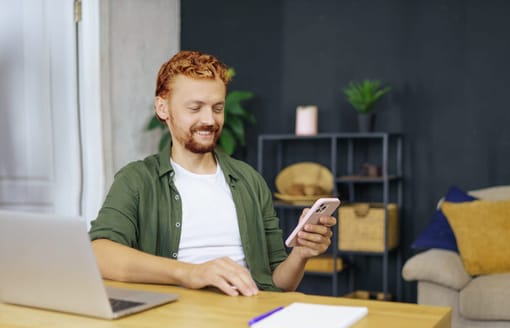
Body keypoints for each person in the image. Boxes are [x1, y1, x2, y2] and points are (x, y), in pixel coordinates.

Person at [89, 50, 336, 297]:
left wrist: (301, 253)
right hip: (171, 321)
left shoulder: (249, 180)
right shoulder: (137, 180)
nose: (209, 120)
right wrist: (191, 273)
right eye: (195, 108)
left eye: (217, 108)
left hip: (245, 319)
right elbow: (99, 254)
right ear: (163, 108)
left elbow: (279, 284)